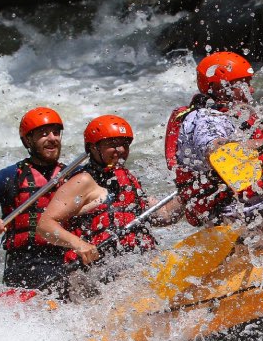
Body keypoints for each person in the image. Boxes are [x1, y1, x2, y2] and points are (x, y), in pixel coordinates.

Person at [165, 51, 263, 226]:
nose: (251, 89)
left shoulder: (243, 117)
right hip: (236, 213)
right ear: (219, 88)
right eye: (243, 84)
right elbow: (218, 151)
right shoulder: (204, 119)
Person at [36, 115, 180, 291]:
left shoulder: (126, 180)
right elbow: (45, 225)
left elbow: (163, 215)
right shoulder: (82, 181)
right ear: (93, 148)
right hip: (93, 275)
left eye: (124, 144)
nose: (119, 150)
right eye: (111, 144)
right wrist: (80, 245)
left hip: (133, 266)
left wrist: (190, 193)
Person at [0, 107, 69, 290]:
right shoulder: (9, 176)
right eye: (43, 134)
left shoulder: (75, 174)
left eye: (56, 133)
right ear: (28, 140)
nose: (52, 138)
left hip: (67, 258)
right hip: (26, 265)